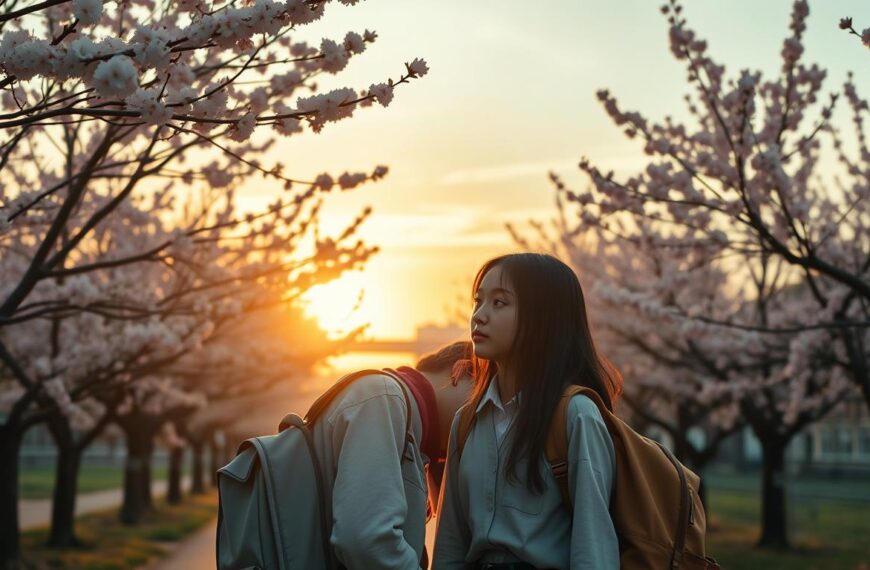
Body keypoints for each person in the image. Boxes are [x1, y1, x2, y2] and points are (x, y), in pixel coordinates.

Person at [433, 253, 624, 570]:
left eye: (499, 303)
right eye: (478, 301)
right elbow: (449, 548)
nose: (479, 316)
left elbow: (594, 549)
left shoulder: (576, 415)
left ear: (544, 318)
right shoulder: (465, 423)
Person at [311, 340, 474, 570]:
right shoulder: (384, 398)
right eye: (485, 392)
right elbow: (366, 539)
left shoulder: (405, 418)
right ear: (460, 371)